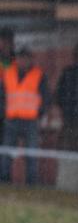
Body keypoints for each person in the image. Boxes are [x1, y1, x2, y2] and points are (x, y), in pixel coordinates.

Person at [0, 46, 50, 185]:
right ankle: (4, 182)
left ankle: (31, 185)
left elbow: (46, 98)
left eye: (26, 58)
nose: (23, 61)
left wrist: (40, 114)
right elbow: (2, 96)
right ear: (17, 59)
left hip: (31, 121)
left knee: (31, 155)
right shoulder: (8, 73)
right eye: (21, 58)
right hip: (11, 120)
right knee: (6, 154)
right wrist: (3, 113)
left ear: (30, 59)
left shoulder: (38, 75)